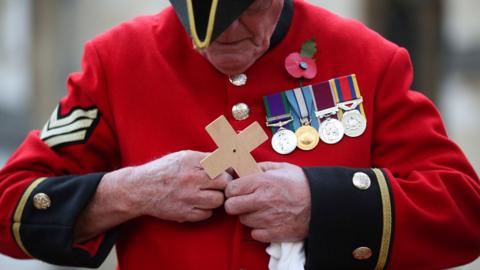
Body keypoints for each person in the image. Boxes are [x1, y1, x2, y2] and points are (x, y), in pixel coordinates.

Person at [0, 0, 479, 269]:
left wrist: (321, 203)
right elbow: (11, 207)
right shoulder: (118, 60)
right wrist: (131, 190)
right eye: (202, 25)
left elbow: (462, 212)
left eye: (246, 9)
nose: (225, 34)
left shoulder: (367, 59)